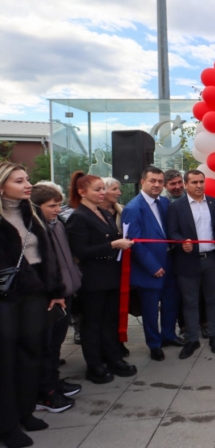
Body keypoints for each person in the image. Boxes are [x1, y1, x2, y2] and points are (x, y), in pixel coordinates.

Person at [0, 162, 64, 448]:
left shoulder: (33, 214)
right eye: (19, 181)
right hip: (6, 298)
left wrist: (56, 290)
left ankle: (25, 413)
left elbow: (49, 256)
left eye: (27, 179)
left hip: (36, 294)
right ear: (2, 186)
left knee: (30, 355)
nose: (28, 185)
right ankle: (6, 424)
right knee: (6, 361)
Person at [66, 172, 138, 384]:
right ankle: (94, 365)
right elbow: (80, 250)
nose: (102, 193)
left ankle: (113, 358)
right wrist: (112, 245)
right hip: (93, 280)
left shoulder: (104, 214)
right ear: (82, 193)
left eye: (102, 189)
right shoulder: (78, 217)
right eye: (97, 190)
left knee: (109, 321)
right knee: (92, 324)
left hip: (110, 276)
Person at [121, 166, 184, 361]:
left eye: (159, 181)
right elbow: (135, 242)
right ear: (143, 182)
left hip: (169, 263)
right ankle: (154, 344)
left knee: (170, 303)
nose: (157, 185)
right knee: (150, 309)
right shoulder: (133, 208)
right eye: (152, 181)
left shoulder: (164, 202)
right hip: (149, 268)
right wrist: (153, 266)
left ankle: (168, 335)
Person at [30, 185, 82, 412]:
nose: (57, 210)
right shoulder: (35, 230)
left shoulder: (58, 225)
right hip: (50, 297)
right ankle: (45, 391)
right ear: (36, 207)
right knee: (47, 346)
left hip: (66, 291)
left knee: (57, 344)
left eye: (59, 205)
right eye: (51, 206)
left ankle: (53, 380)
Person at [167, 170, 215, 359]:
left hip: (212, 259)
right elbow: (172, 232)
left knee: (212, 299)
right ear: (186, 185)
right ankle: (192, 339)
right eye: (194, 182)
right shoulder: (176, 207)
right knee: (190, 302)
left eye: (201, 182)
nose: (199, 185)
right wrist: (182, 241)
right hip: (187, 261)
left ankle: (214, 335)